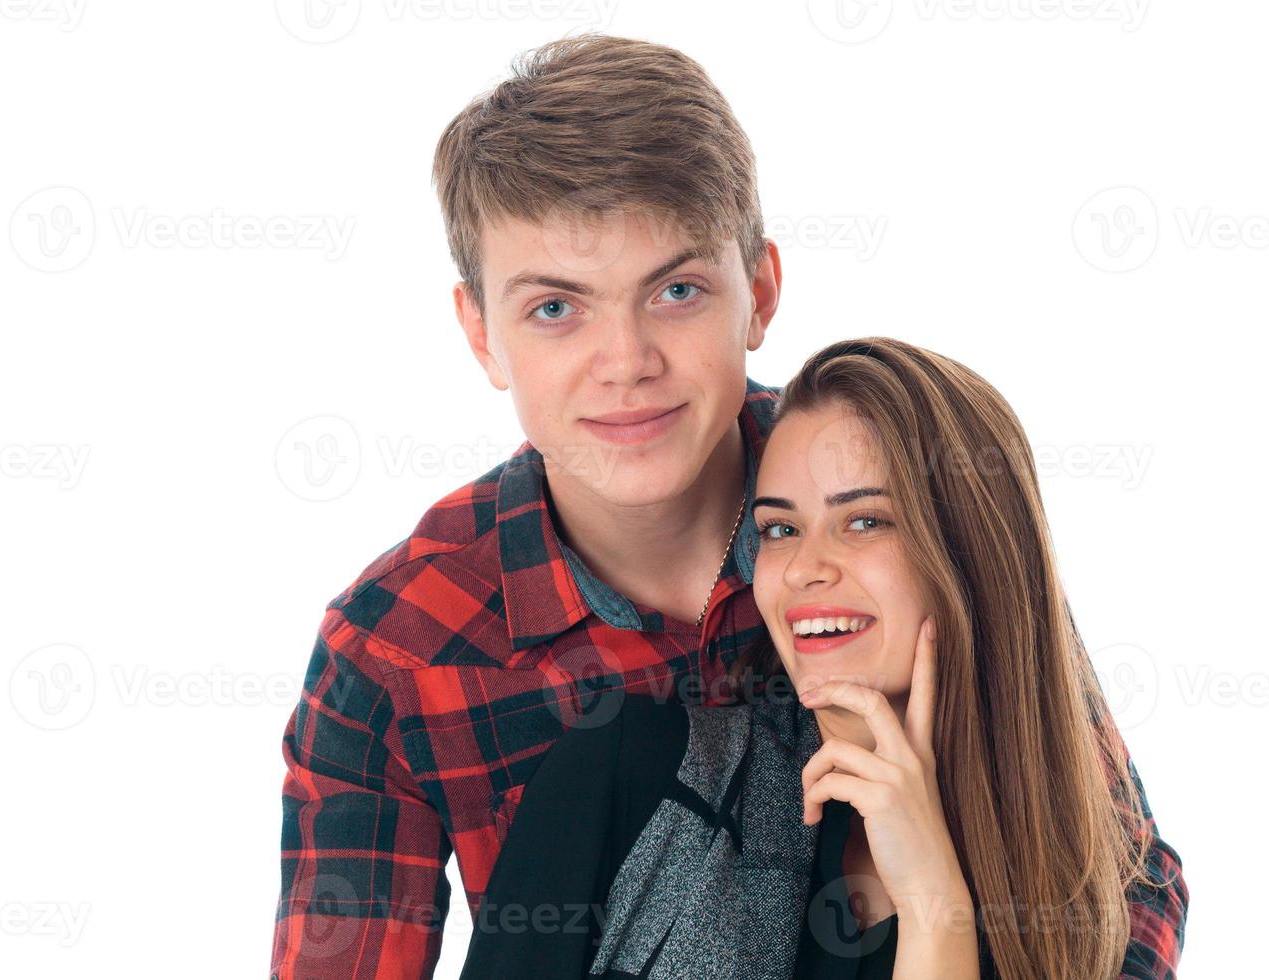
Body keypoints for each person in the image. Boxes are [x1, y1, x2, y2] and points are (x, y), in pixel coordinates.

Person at [269, 34, 1188, 979]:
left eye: (675, 290)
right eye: (556, 308)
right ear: (481, 335)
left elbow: (1120, 887)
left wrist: (942, 912)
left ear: (758, 292)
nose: (625, 361)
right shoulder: (396, 650)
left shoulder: (898, 506)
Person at [455, 338, 1188, 979]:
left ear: (973, 556)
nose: (805, 568)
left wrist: (935, 907)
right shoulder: (631, 772)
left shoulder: (1080, 878)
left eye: (864, 521)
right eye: (779, 530)